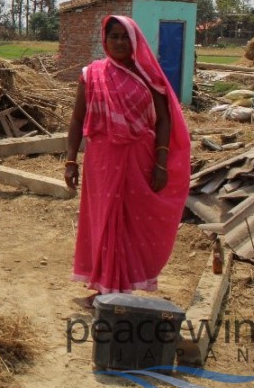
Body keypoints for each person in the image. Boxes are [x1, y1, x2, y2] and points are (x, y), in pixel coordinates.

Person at [64, 15, 191, 305]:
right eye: (114, 37)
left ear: (134, 41)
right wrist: (70, 160)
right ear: (105, 41)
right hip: (102, 160)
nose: (119, 42)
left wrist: (161, 163)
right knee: (105, 220)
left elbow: (163, 121)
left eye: (125, 37)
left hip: (139, 158)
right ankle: (107, 289)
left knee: (131, 221)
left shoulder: (148, 75)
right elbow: (76, 119)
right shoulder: (91, 74)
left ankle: (120, 289)